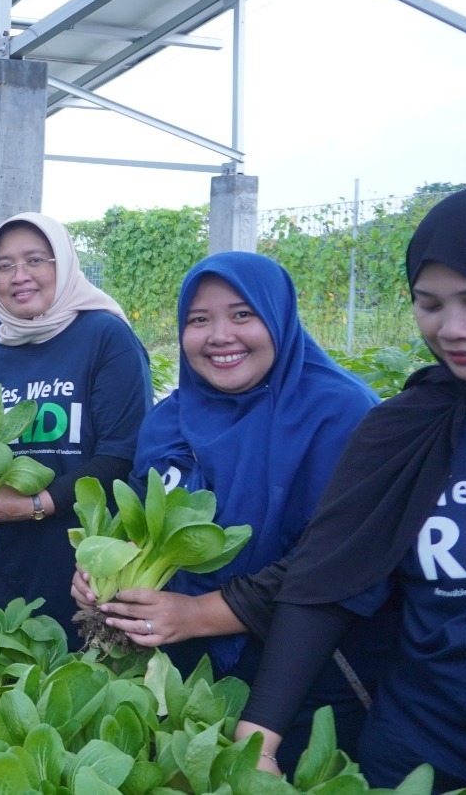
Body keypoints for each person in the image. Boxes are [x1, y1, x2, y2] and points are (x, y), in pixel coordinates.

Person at [71, 252, 382, 770]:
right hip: (182, 670)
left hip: (306, 674)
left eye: (242, 314)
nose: (219, 335)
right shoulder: (169, 419)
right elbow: (138, 529)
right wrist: (101, 574)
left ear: (278, 317)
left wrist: (195, 613)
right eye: (199, 320)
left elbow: (332, 569)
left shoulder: (343, 413)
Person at [234, 186, 466, 789]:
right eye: (429, 305)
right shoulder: (405, 428)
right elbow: (328, 583)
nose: (452, 329)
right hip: (423, 755)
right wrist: (260, 735)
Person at [0, 212, 151, 649]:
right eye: (4, 266)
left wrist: (32, 505)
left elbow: (121, 456)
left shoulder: (105, 336)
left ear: (62, 264)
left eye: (34, 260)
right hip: (11, 557)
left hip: (87, 568)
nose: (19, 276)